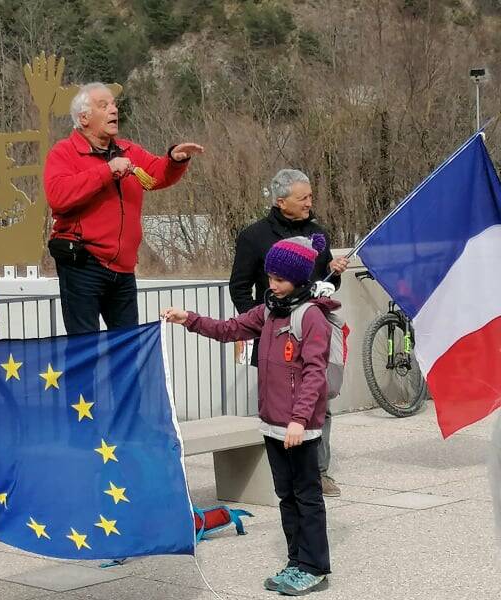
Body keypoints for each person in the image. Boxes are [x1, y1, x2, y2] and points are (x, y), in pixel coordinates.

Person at [164, 234, 335, 595]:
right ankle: (296, 561)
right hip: (273, 424)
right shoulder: (269, 310)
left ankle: (315, 566)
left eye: (279, 280)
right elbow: (229, 329)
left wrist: (299, 420)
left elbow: (314, 374)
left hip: (298, 429)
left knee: (307, 498)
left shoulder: (311, 318)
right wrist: (189, 319)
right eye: (269, 277)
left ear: (300, 280)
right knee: (286, 497)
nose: (272, 285)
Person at [44, 82, 204, 334]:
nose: (113, 110)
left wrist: (175, 159)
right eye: (103, 105)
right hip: (83, 264)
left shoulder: (128, 150)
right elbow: (58, 196)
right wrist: (106, 171)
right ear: (84, 118)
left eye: (114, 104)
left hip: (123, 268)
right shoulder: (63, 152)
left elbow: (156, 174)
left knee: (127, 347)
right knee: (86, 350)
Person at [229, 168, 348, 497]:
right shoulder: (254, 237)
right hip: (273, 338)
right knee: (277, 404)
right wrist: (263, 321)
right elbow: (238, 288)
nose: (310, 202)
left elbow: (322, 285)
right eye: (303, 198)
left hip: (312, 331)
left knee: (319, 400)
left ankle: (319, 471)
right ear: (282, 202)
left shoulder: (318, 233)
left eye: (311, 196)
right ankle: (279, 469)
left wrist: (332, 274)